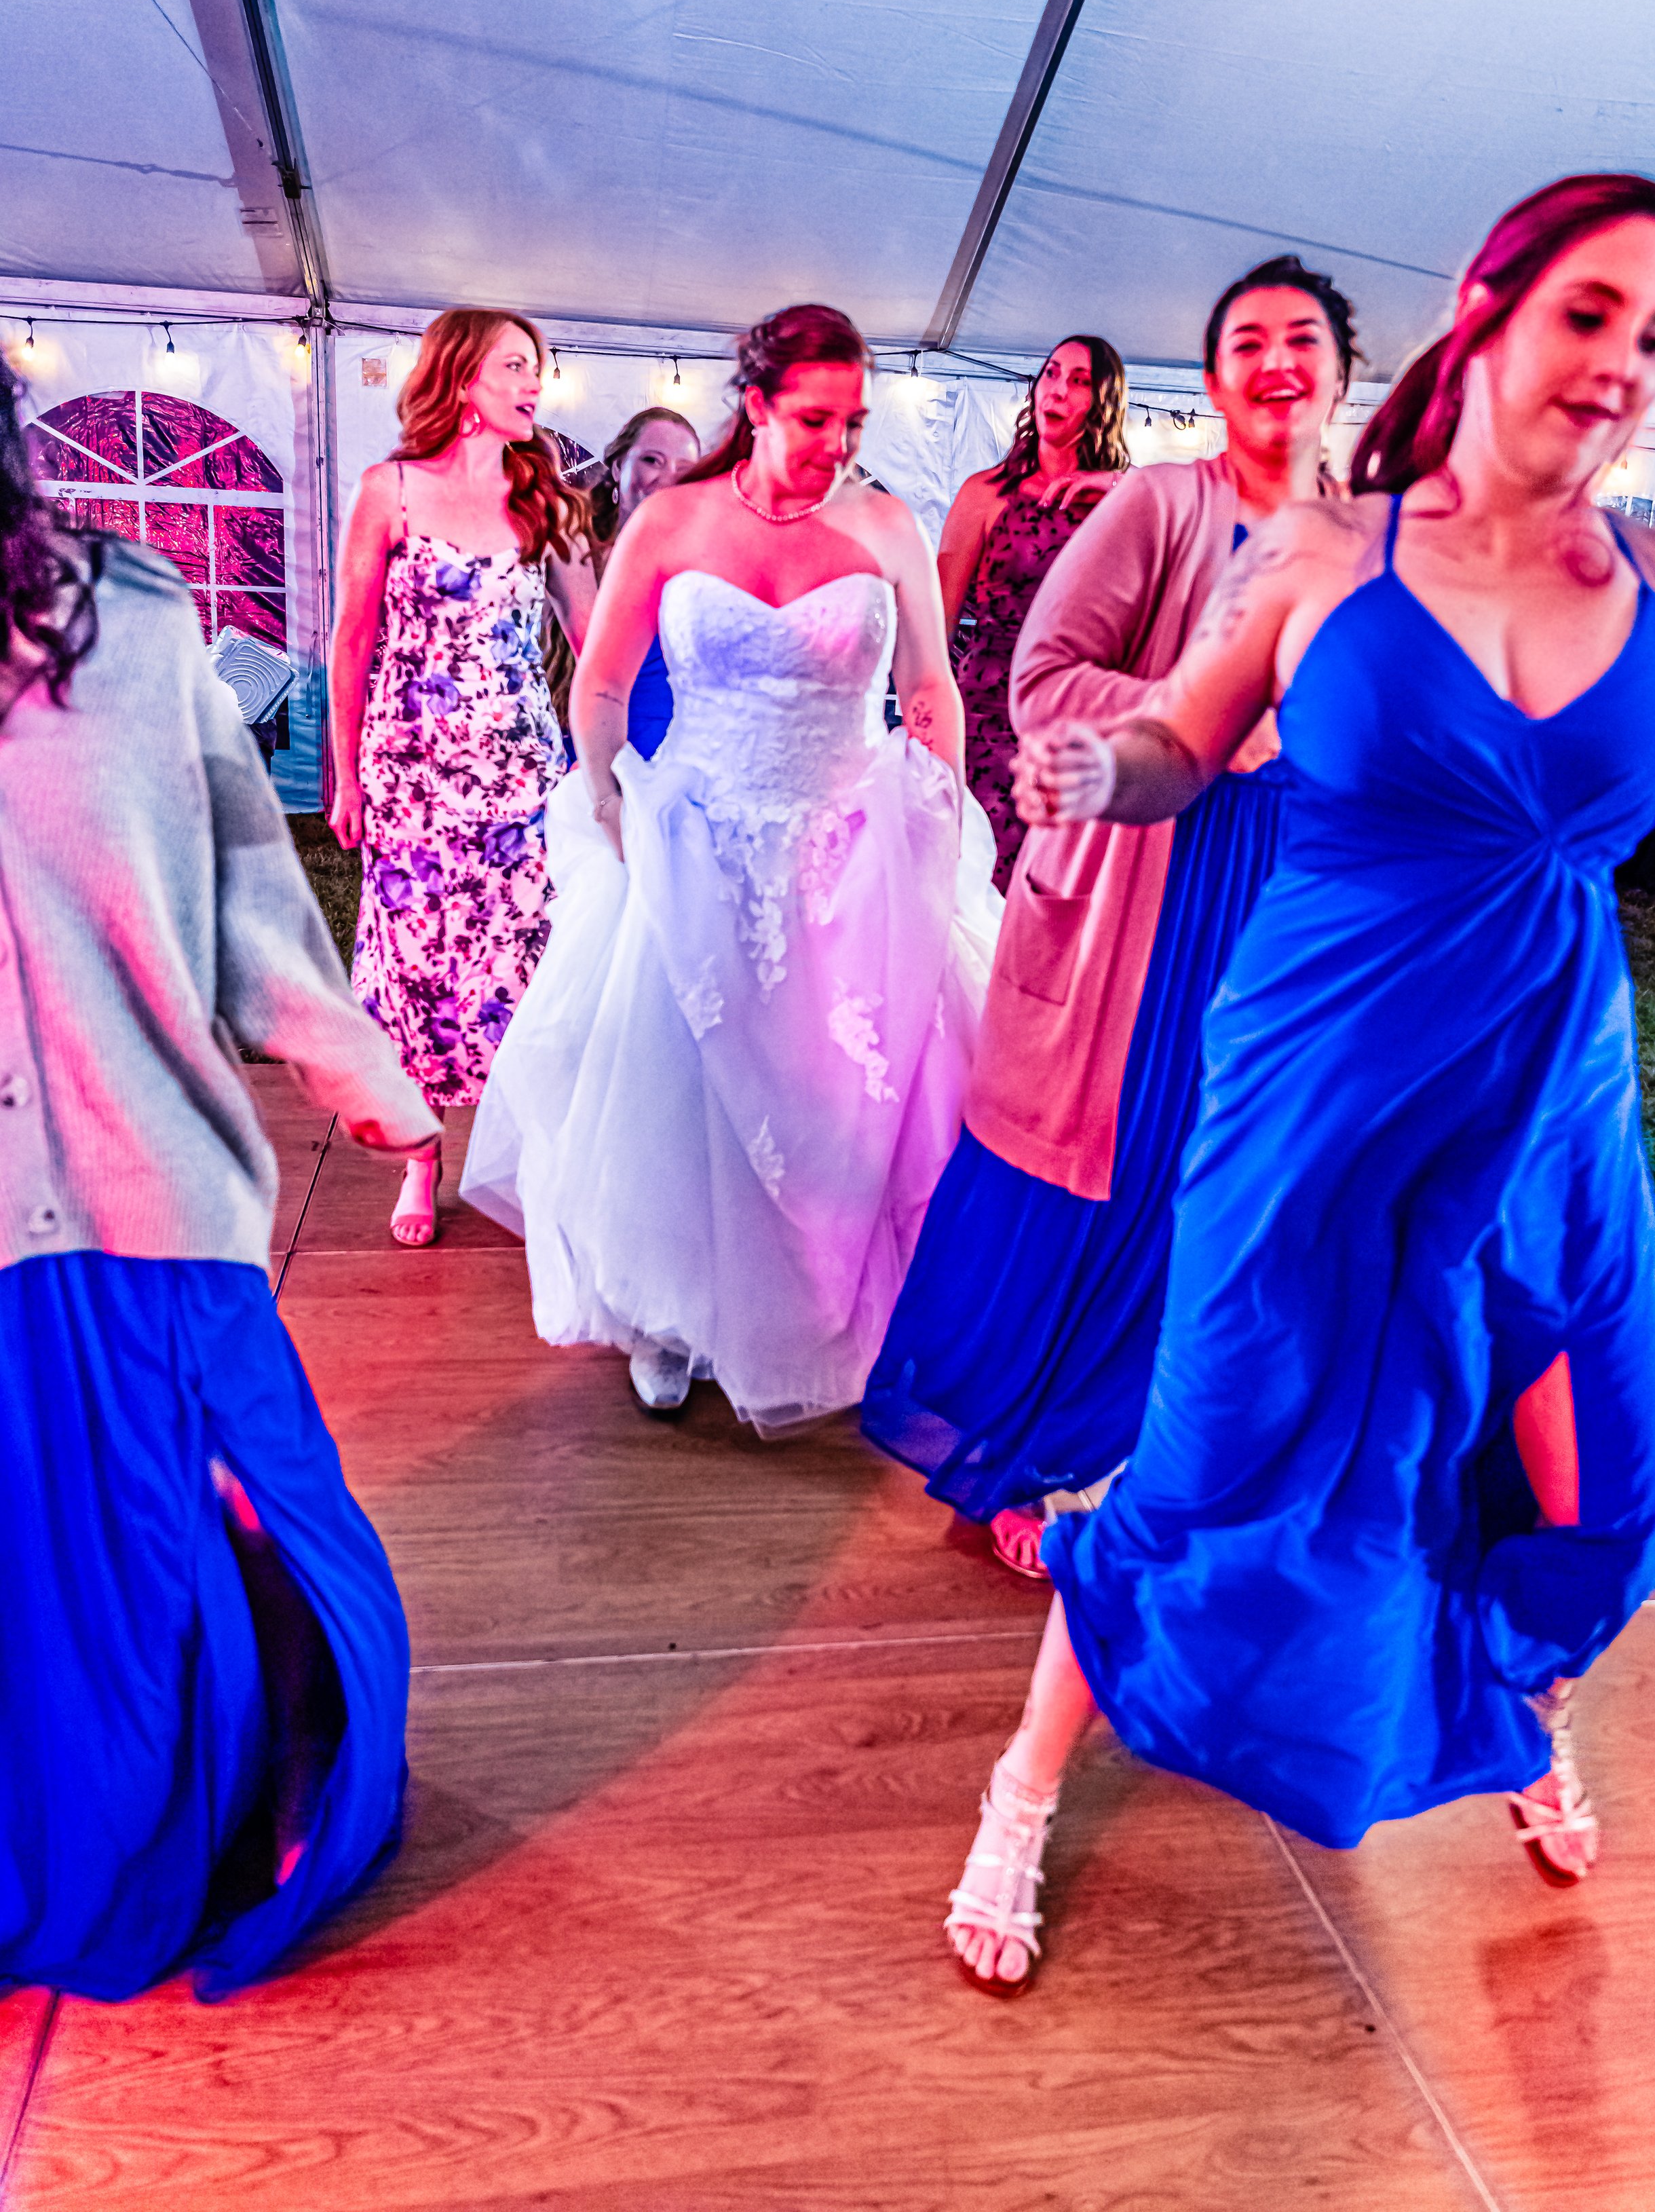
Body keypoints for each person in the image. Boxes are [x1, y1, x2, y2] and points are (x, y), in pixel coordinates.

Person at [942, 173, 1655, 1993]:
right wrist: (1083, 767)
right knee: (1216, 1459)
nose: (1619, 365)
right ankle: (1025, 1782)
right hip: (1318, 1087)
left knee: (1598, 1485)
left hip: (1546, 1101)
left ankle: (1505, 1701)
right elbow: (1173, 744)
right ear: (1488, 304)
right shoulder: (1327, 557)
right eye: (1588, 314)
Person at [0, 354, 437, 2000]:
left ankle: (216, 1827)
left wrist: (352, 1060)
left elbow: (251, 863)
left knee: (220, 1556)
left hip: (143, 1183)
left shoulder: (134, 616)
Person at [862, 260, 1356, 1575]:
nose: (1274, 360)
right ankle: (1034, 1454)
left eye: (1299, 339)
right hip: (1146, 891)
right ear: (1211, 382)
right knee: (1117, 1169)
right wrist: (1209, 717)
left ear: (1341, 378)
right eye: (1243, 339)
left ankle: (1181, 1461)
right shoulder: (1158, 504)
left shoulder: (1369, 539)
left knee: (1252, 1183)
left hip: (1293, 909)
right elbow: (1039, 677)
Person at [462, 304, 1002, 1423]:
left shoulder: (888, 523)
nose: (835, 445)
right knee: (681, 1089)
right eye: (814, 419)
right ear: (755, 406)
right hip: (697, 833)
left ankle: (835, 1302)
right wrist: (609, 794)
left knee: (839, 1090)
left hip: (848, 844)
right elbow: (601, 685)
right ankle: (674, 1316)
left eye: (852, 421)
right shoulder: (673, 522)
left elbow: (932, 685)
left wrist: (939, 799)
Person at [328, 309, 578, 1248]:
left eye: (536, 368)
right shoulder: (387, 489)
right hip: (414, 777)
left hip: (521, 779)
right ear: (463, 377)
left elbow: (597, 641)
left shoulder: (545, 499)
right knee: (420, 967)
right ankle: (421, 1159)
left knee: (529, 964)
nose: (533, 383)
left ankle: (542, 1157)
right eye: (516, 366)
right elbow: (350, 639)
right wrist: (346, 776)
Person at [936, 336, 1128, 886]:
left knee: (1065, 885)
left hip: (1083, 713)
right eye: (1051, 373)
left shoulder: (1124, 502)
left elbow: (1198, 519)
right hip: (992, 709)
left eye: (1079, 380)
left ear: (1103, 402)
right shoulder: (986, 494)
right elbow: (938, 623)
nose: (1058, 389)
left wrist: (1119, 486)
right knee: (985, 874)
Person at [549, 405, 700, 758]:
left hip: (678, 752)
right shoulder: (577, 547)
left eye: (684, 469)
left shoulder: (704, 563)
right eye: (652, 460)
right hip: (592, 747)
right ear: (618, 467)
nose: (667, 478)